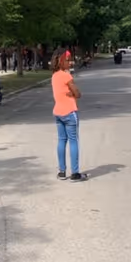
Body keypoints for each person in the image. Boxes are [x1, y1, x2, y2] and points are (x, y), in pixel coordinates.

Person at [51, 50, 86, 182]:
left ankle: (62, 171)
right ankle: (75, 173)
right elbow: (77, 93)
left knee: (61, 140)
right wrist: (74, 94)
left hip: (58, 112)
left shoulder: (54, 75)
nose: (70, 62)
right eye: (68, 60)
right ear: (61, 61)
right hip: (70, 112)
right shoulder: (66, 76)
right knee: (73, 141)